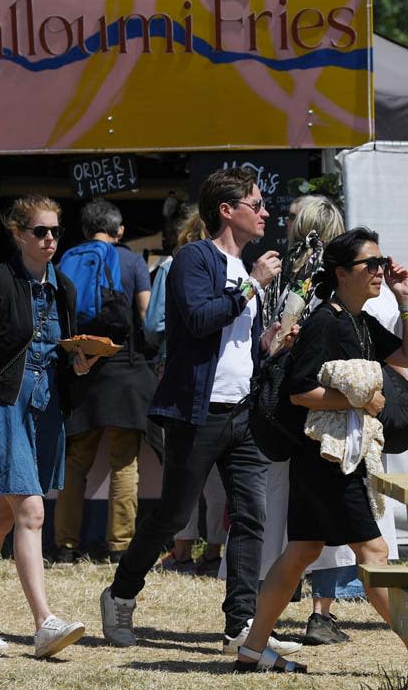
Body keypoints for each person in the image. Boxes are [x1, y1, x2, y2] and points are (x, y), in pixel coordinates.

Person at [100, 167, 301, 657]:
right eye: (256, 203)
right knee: (173, 514)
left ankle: (241, 626)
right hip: (198, 412)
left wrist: (269, 344)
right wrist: (252, 285)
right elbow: (199, 318)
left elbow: (236, 342)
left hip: (244, 412)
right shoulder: (195, 258)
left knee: (251, 516)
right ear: (228, 211)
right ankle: (120, 593)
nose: (266, 212)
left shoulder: (247, 270)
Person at [235, 227, 408, 673]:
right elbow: (299, 391)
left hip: (327, 458)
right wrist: (357, 399)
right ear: (341, 272)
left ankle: (252, 649)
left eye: (381, 263)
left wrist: (404, 299)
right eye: (370, 264)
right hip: (329, 459)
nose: (379, 271)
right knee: (374, 555)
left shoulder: (359, 321)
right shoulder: (325, 322)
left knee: (301, 552)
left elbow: (404, 359)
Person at [0, 195, 95, 658]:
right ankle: (44, 623)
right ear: (18, 233)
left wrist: (80, 364)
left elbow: (62, 352)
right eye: (40, 232)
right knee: (30, 511)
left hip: (44, 409)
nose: (50, 240)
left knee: (2, 517)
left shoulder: (63, 287)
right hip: (2, 404)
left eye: (55, 232)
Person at [54, 199, 156, 564]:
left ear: (84, 230)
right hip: (124, 370)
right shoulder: (130, 261)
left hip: (80, 368)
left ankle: (65, 547)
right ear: (120, 230)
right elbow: (146, 315)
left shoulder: (64, 260)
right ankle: (120, 547)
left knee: (75, 461)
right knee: (123, 463)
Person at [144, 207, 226, 575]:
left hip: (181, 375)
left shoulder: (170, 266)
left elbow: (152, 323)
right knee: (216, 475)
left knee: (182, 473)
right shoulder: (234, 268)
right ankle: (214, 551)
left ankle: (181, 549)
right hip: (225, 380)